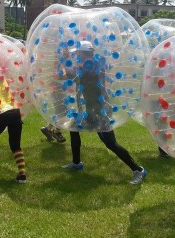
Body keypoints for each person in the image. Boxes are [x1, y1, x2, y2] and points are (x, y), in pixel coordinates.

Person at [60, 41, 147, 185]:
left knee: (110, 143)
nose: (76, 55)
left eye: (78, 53)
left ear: (85, 53)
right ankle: (76, 163)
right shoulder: (90, 64)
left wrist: (64, 60)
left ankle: (138, 170)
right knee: (73, 128)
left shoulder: (91, 66)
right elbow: (67, 75)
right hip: (91, 109)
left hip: (100, 110)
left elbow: (67, 74)